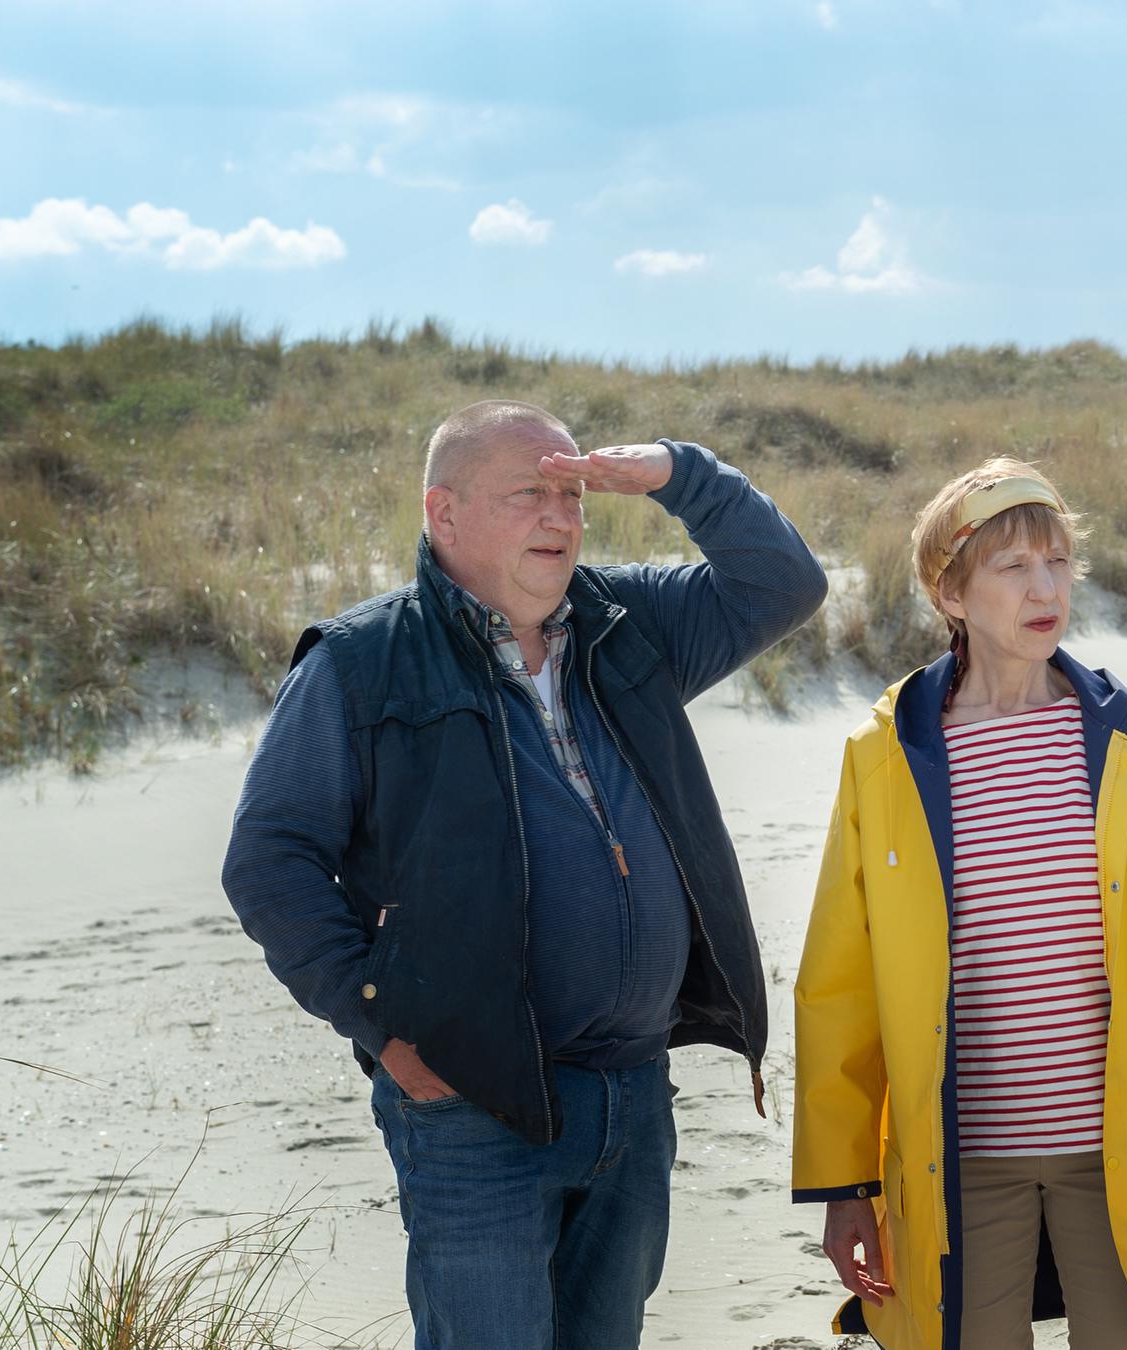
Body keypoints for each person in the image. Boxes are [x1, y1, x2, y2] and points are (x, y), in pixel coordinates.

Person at [220, 399, 827, 1349]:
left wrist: (677, 472)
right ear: (444, 513)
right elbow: (269, 860)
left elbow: (782, 583)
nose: (559, 517)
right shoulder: (361, 664)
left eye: (570, 494)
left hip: (631, 1091)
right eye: (526, 496)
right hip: (471, 1104)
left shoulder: (629, 623)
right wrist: (380, 1029)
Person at [792, 459, 1127, 1349]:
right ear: (952, 592)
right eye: (1013, 568)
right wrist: (845, 1185)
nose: (1045, 587)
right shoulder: (887, 754)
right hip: (956, 1166)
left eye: (1058, 562)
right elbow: (838, 984)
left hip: (1121, 1159)